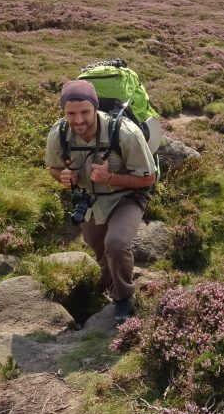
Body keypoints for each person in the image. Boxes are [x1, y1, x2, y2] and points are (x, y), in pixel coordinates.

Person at [45, 79, 156, 323]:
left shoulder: (125, 133)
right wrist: (64, 177)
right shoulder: (60, 133)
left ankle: (124, 298)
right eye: (71, 113)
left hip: (127, 197)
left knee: (115, 243)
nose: (78, 120)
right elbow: (52, 167)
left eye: (85, 111)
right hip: (91, 200)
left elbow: (149, 179)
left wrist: (112, 178)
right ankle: (109, 284)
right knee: (99, 248)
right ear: (63, 111)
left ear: (95, 108)